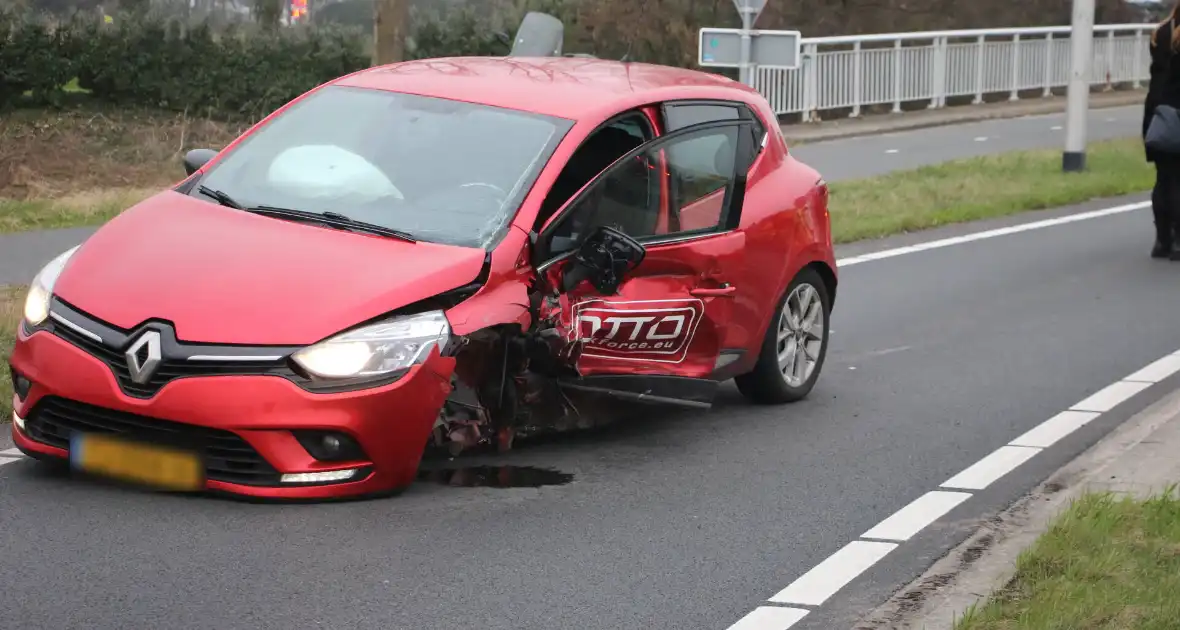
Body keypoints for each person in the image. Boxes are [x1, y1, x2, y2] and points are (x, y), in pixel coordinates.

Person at [1145, 2, 1180, 259]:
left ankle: (1162, 240)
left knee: (1163, 177)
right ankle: (1178, 240)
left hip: (1157, 112)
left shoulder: (1159, 33)